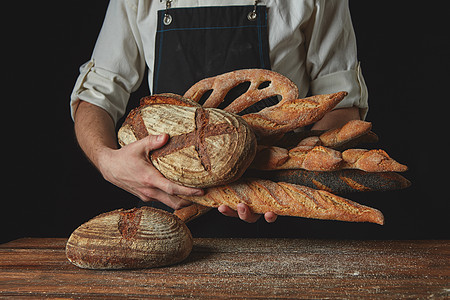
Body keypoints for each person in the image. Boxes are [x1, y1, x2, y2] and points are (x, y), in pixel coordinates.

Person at [70, 0, 368, 225]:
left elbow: (339, 102)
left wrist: (296, 177)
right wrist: (106, 160)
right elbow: (96, 94)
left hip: (279, 202)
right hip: (170, 212)